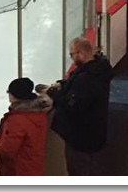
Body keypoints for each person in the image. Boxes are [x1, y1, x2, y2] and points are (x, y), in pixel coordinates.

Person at [47, 37, 113, 176]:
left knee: (79, 169)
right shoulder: (96, 70)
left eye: (72, 54)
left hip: (81, 137)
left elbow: (73, 105)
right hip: (92, 134)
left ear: (81, 54)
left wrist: (55, 94)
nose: (71, 57)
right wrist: (65, 85)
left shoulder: (87, 78)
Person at [0, 77, 50, 176]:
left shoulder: (17, 120)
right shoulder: (39, 114)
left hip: (18, 170)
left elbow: (7, 150)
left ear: (13, 95)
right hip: (33, 168)